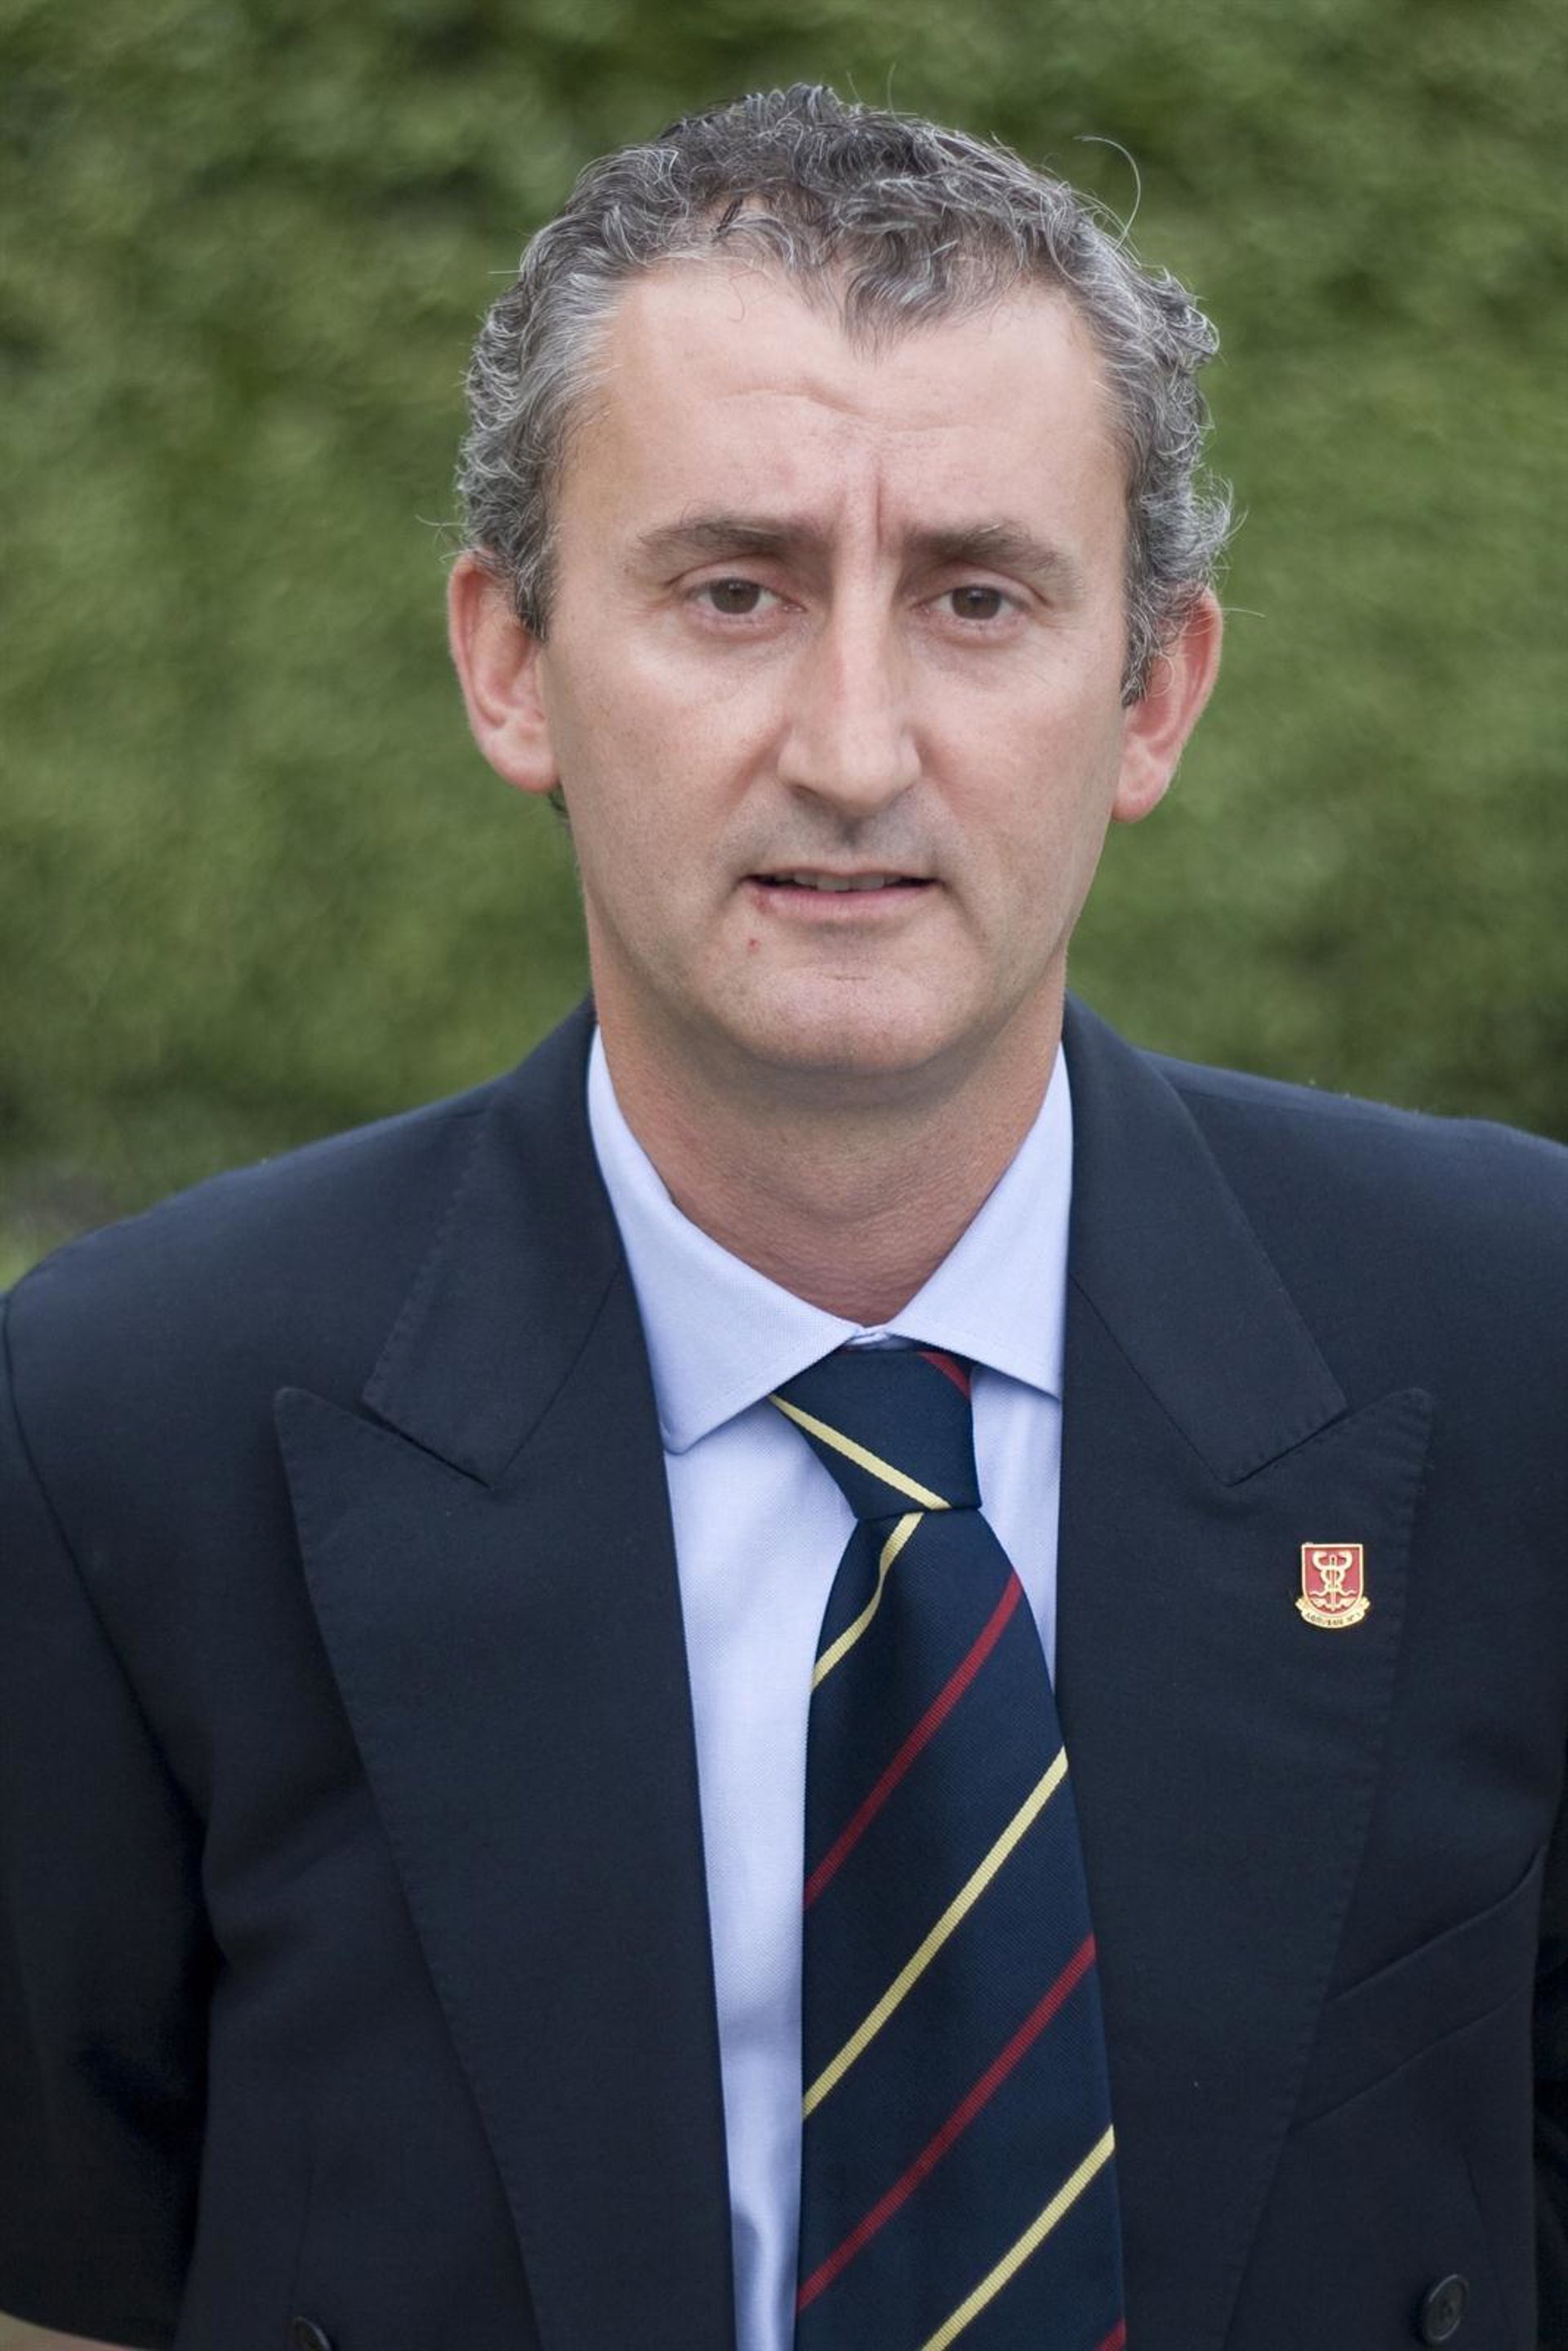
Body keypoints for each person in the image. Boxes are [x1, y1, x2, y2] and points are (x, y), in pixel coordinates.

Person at [2, 83, 1564, 2351]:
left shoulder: (1517, 1348)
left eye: (978, 599)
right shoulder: (123, 1426)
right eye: (734, 590)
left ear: (1154, 694)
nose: (852, 745)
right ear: (512, 665)